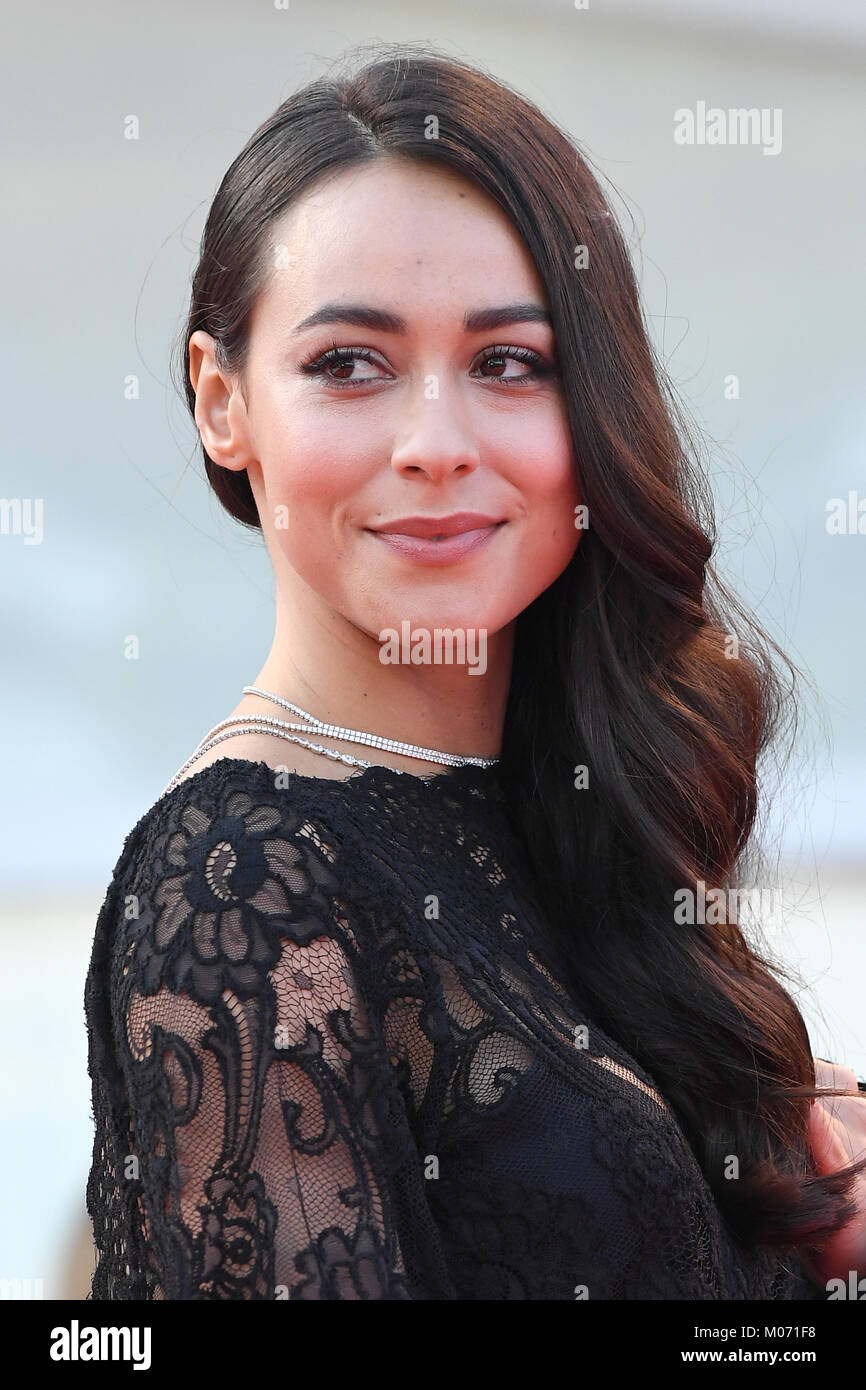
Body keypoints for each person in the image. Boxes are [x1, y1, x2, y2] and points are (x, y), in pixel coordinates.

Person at [83, 43, 866, 1300]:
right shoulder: (238, 888)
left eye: (508, 362)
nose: (436, 444)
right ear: (220, 401)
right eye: (348, 364)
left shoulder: (569, 802)